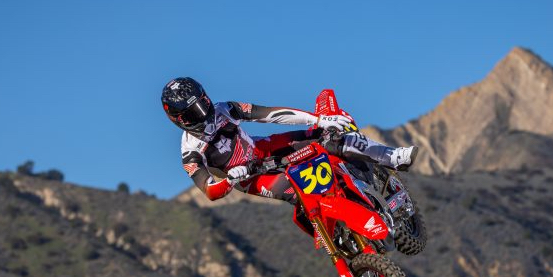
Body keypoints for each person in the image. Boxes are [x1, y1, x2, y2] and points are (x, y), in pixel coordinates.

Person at [162, 77, 418, 203]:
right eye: (194, 113)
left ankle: (392, 157)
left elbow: (271, 114)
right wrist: (230, 179)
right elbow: (209, 190)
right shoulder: (190, 153)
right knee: (303, 196)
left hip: (264, 148)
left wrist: (318, 120)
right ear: (178, 119)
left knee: (328, 137)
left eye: (204, 103)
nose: (204, 113)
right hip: (251, 178)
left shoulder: (225, 109)